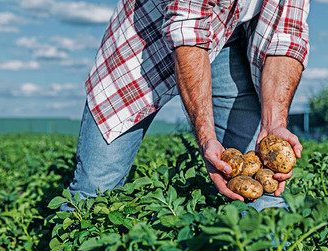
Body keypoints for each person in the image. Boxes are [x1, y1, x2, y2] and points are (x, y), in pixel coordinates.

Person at [63, 0, 310, 212]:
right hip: (146, 40)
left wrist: (274, 123)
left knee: (258, 183)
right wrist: (206, 138)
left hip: (232, 39)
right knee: (95, 188)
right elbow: (188, 27)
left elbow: (287, 37)